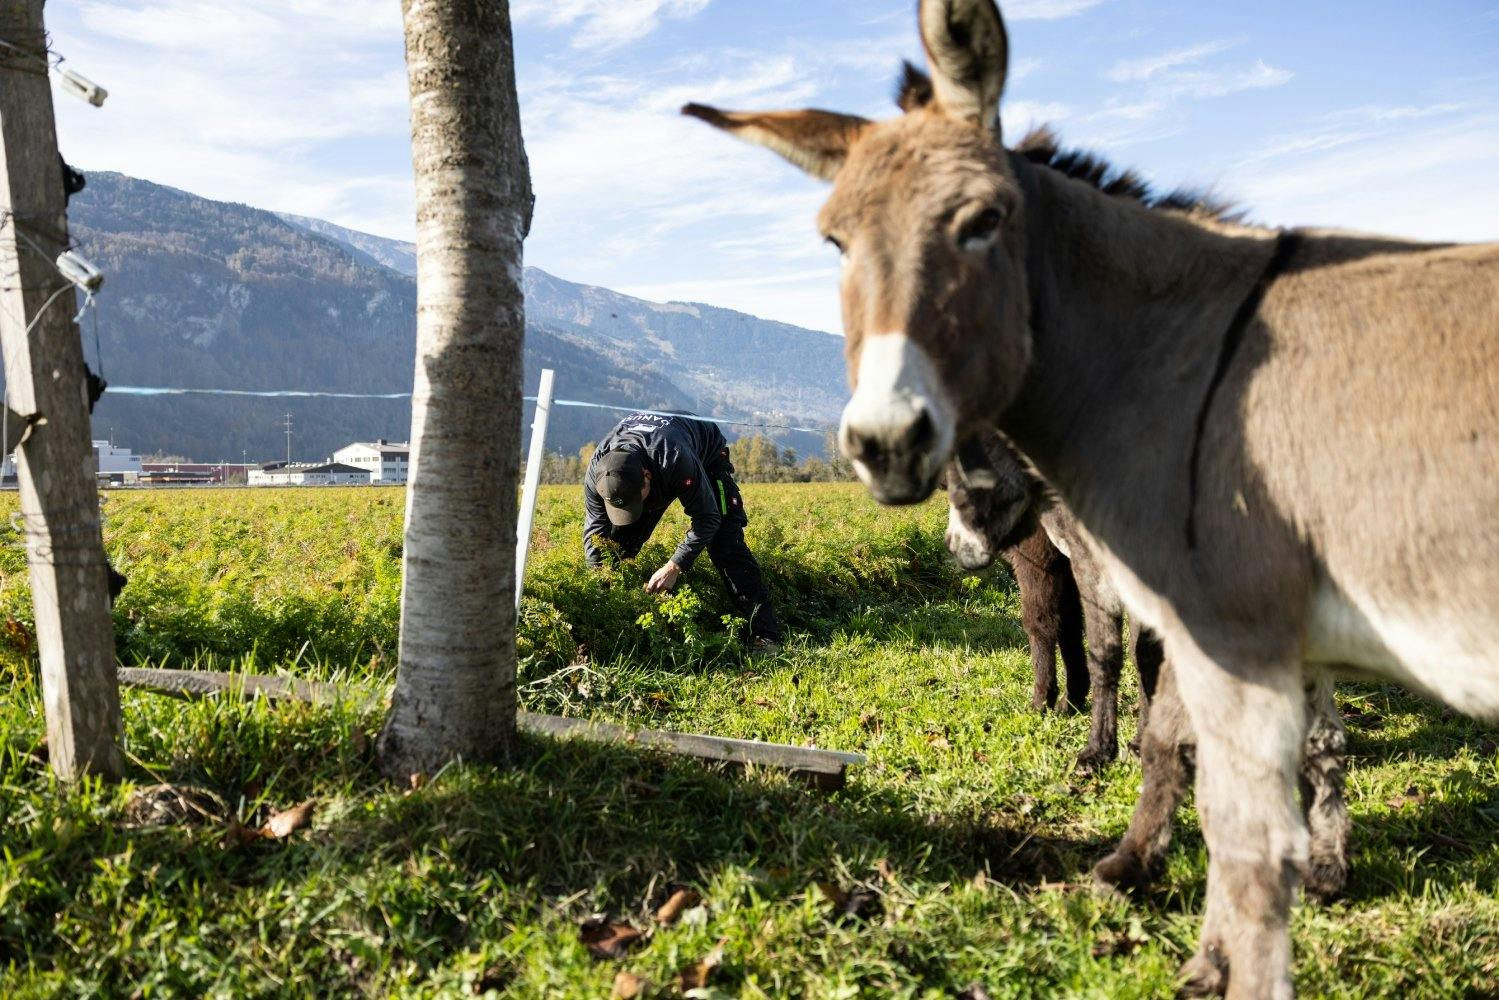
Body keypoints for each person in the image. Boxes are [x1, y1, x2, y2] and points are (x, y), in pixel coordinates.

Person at [583, 410, 783, 654]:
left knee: (725, 543)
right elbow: (596, 534)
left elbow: (707, 518)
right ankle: (617, 617)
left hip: (705, 455)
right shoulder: (599, 472)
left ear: (647, 477)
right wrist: (597, 583)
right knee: (618, 542)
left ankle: (766, 635)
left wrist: (674, 565)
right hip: (653, 462)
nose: (639, 509)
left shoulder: (673, 457)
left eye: (638, 499)